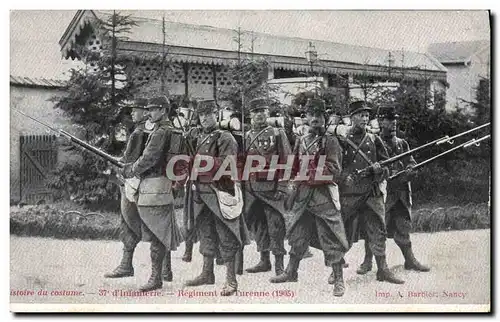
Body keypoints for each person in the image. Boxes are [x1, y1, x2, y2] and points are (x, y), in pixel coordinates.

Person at [271, 98, 349, 297]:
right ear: (305, 117)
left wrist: (307, 175)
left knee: (330, 236)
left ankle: (338, 279)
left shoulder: (330, 141)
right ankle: (291, 271)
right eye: (311, 115)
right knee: (297, 233)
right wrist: (291, 184)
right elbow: (294, 166)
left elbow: (334, 170)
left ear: (325, 118)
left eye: (319, 115)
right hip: (302, 196)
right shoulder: (301, 140)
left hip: (322, 196)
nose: (315, 118)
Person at [184, 99, 250, 296]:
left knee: (226, 234)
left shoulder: (225, 137)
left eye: (209, 114)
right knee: (205, 233)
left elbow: (227, 165)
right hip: (201, 193)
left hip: (219, 192)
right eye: (201, 114)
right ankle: (207, 273)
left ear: (217, 115)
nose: (204, 118)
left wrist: (201, 161)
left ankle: (231, 280)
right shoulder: (197, 137)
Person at [356, 105, 430, 275]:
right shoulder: (373, 142)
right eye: (390, 119)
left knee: (403, 226)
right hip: (382, 193)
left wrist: (411, 169)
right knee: (375, 228)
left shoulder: (402, 143)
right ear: (381, 121)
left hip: (401, 193)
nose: (394, 122)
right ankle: (367, 261)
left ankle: (409, 260)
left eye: (395, 119)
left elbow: (411, 161)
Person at [338, 100, 404, 285]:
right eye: (360, 115)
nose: (365, 118)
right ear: (351, 118)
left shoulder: (375, 139)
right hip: (350, 195)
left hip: (372, 193)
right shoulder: (342, 140)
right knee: (343, 232)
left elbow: (388, 167)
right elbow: (336, 166)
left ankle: (383, 270)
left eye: (367, 115)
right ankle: (337, 272)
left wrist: (378, 170)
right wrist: (345, 177)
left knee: (378, 231)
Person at [122, 95, 183, 291]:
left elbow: (149, 158)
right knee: (161, 231)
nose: (149, 113)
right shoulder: (169, 129)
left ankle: (156, 278)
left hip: (153, 187)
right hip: (163, 186)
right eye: (148, 109)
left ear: (163, 110)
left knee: (157, 233)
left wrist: (131, 169)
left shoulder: (160, 132)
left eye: (153, 109)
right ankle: (165, 272)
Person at [243, 97, 291, 277]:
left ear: (268, 113)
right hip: (253, 189)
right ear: (250, 115)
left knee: (275, 225)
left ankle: (279, 264)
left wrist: (283, 186)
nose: (259, 115)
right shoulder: (247, 135)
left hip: (272, 189)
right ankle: (264, 260)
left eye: (263, 111)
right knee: (258, 225)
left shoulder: (277, 133)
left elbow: (287, 160)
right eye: (256, 112)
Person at [104, 98, 150, 280]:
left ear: (145, 112)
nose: (132, 113)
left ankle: (126, 265)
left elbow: (128, 161)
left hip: (133, 183)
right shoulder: (144, 131)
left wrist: (116, 165)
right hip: (140, 182)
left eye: (136, 110)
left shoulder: (138, 133)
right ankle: (161, 270)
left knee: (129, 221)